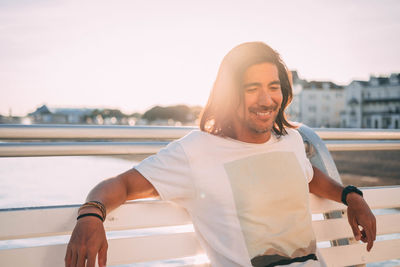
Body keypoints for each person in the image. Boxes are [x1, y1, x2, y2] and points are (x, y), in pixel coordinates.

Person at [65, 42, 376, 267]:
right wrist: (91, 215)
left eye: (273, 87)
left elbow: (308, 176)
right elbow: (122, 185)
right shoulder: (195, 151)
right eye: (251, 88)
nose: (266, 100)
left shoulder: (292, 140)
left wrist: (351, 196)